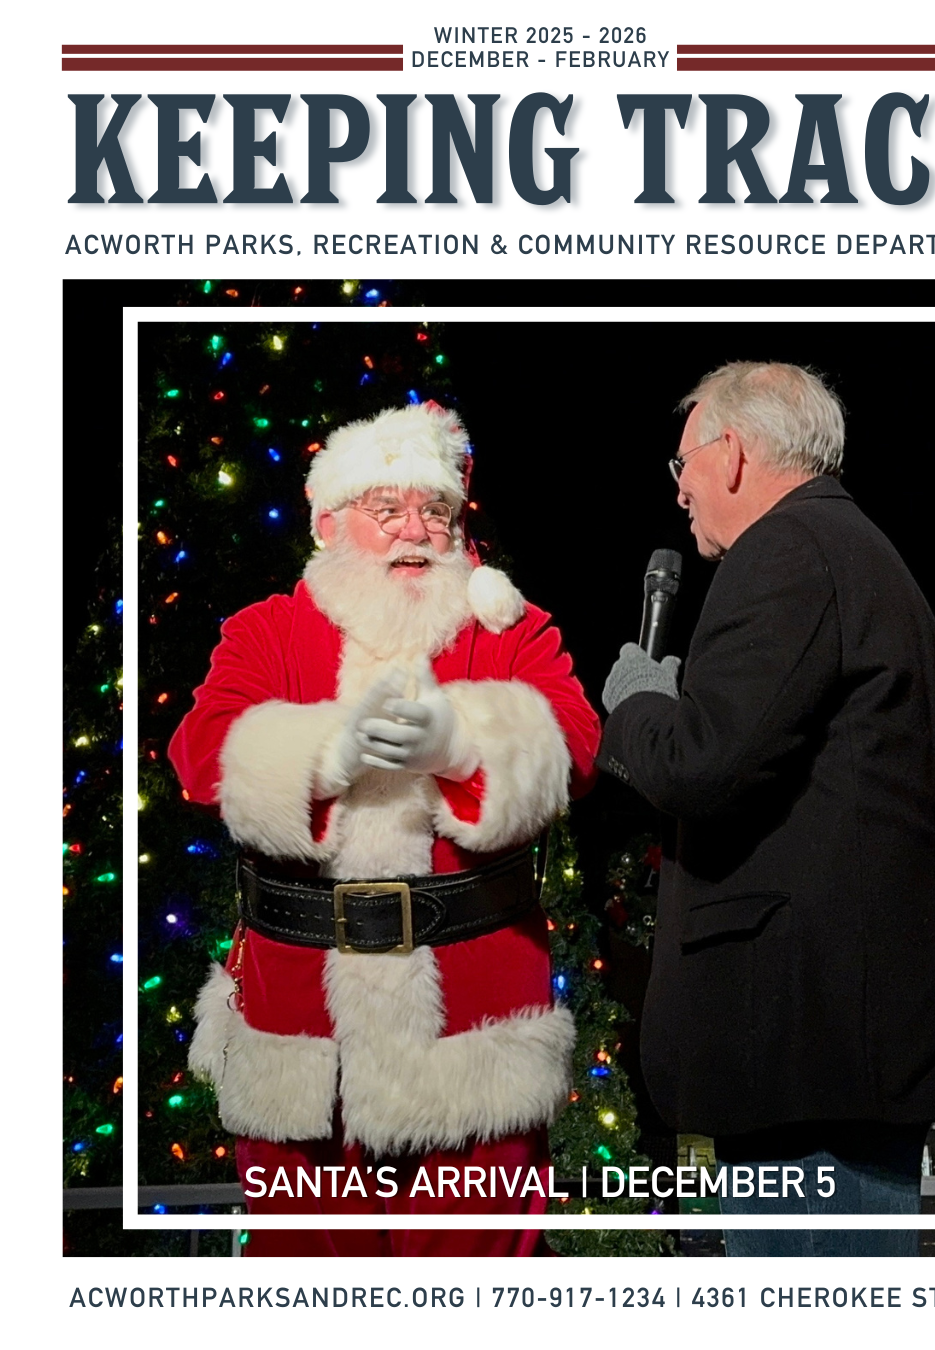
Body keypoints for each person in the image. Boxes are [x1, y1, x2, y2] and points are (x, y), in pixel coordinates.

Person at [170, 401, 600, 1257]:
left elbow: (578, 745)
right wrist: (324, 754)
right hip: (301, 1034)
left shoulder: (510, 630)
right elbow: (199, 753)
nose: (416, 530)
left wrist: (462, 744)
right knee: (309, 1289)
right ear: (330, 523)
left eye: (435, 510)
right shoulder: (265, 631)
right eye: (386, 508)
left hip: (474, 1035)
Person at [598, 362, 935, 1257]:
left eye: (683, 465)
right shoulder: (849, 547)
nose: (679, 492)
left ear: (735, 452)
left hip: (804, 1046)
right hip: (833, 1043)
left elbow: (704, 767)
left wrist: (638, 703)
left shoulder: (789, 551)